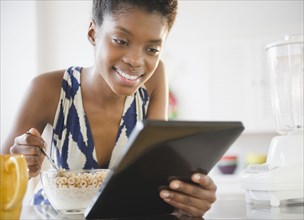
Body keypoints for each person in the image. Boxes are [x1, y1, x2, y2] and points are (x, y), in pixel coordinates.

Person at [1, 0, 217, 217]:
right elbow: (3, 178)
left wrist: (187, 196)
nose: (136, 60)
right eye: (121, 41)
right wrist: (20, 165)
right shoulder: (48, 89)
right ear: (93, 33)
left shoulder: (154, 79)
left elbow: (154, 173)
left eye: (152, 49)